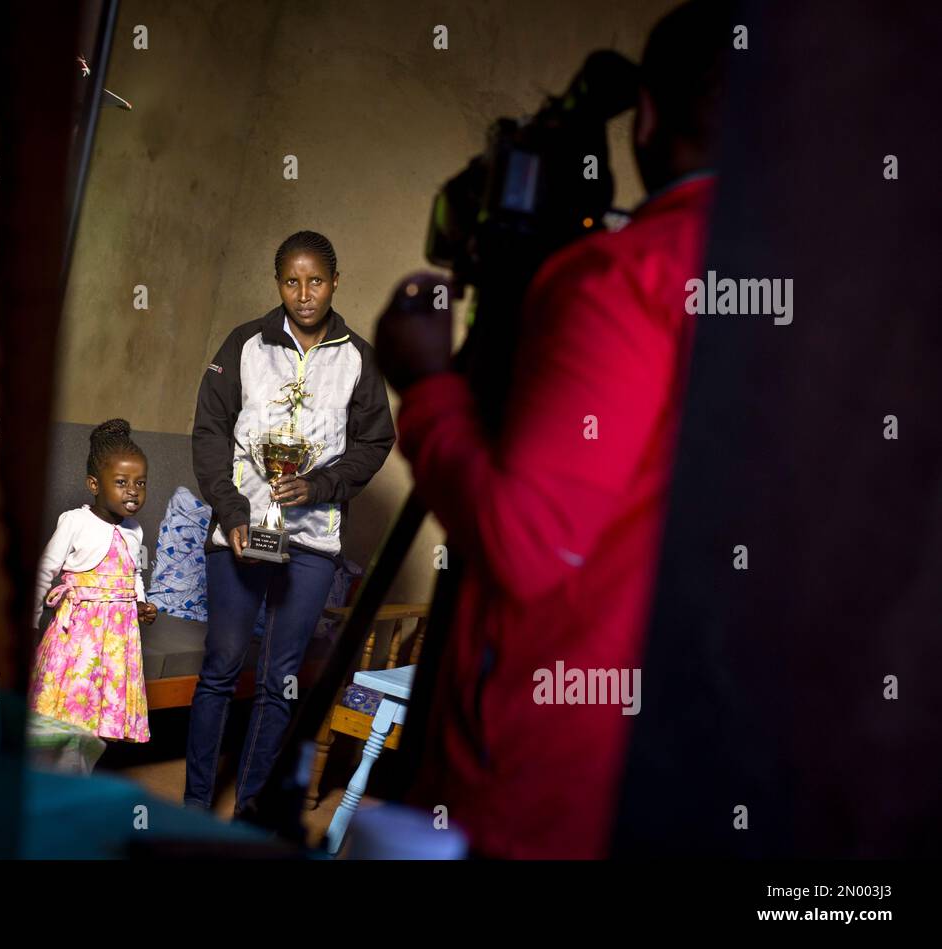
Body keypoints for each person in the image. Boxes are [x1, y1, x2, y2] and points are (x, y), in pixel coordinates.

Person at [373, 1, 731, 857]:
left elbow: (526, 538)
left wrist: (424, 381)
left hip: (538, 778)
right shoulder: (826, 293)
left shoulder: (624, 278)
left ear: (645, 115)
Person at [186, 230, 395, 813]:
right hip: (239, 534)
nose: (304, 294)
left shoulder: (358, 358)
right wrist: (229, 512)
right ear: (278, 283)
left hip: (311, 541)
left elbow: (376, 441)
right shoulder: (243, 344)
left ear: (335, 281)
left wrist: (321, 485)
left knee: (280, 679)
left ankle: (250, 810)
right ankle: (195, 808)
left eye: (316, 281)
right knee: (222, 669)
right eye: (291, 281)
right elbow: (209, 432)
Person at [30, 419, 157, 743]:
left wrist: (140, 603)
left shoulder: (135, 530)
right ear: (94, 484)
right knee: (71, 703)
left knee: (100, 712)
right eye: (121, 481)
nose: (133, 490)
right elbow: (46, 568)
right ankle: (57, 772)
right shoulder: (75, 521)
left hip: (117, 639)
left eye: (140, 483)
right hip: (79, 635)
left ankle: (84, 768)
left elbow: (134, 573)